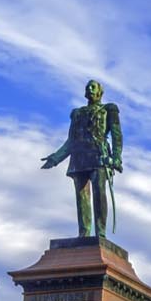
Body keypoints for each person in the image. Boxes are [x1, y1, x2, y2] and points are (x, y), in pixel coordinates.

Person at [41, 79, 124, 238]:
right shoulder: (77, 113)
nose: (90, 89)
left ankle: (100, 234)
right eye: (88, 87)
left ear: (100, 92)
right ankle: (84, 234)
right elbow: (71, 140)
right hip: (79, 157)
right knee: (81, 197)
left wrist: (116, 158)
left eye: (93, 87)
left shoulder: (109, 109)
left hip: (99, 156)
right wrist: (55, 158)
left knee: (99, 194)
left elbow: (116, 135)